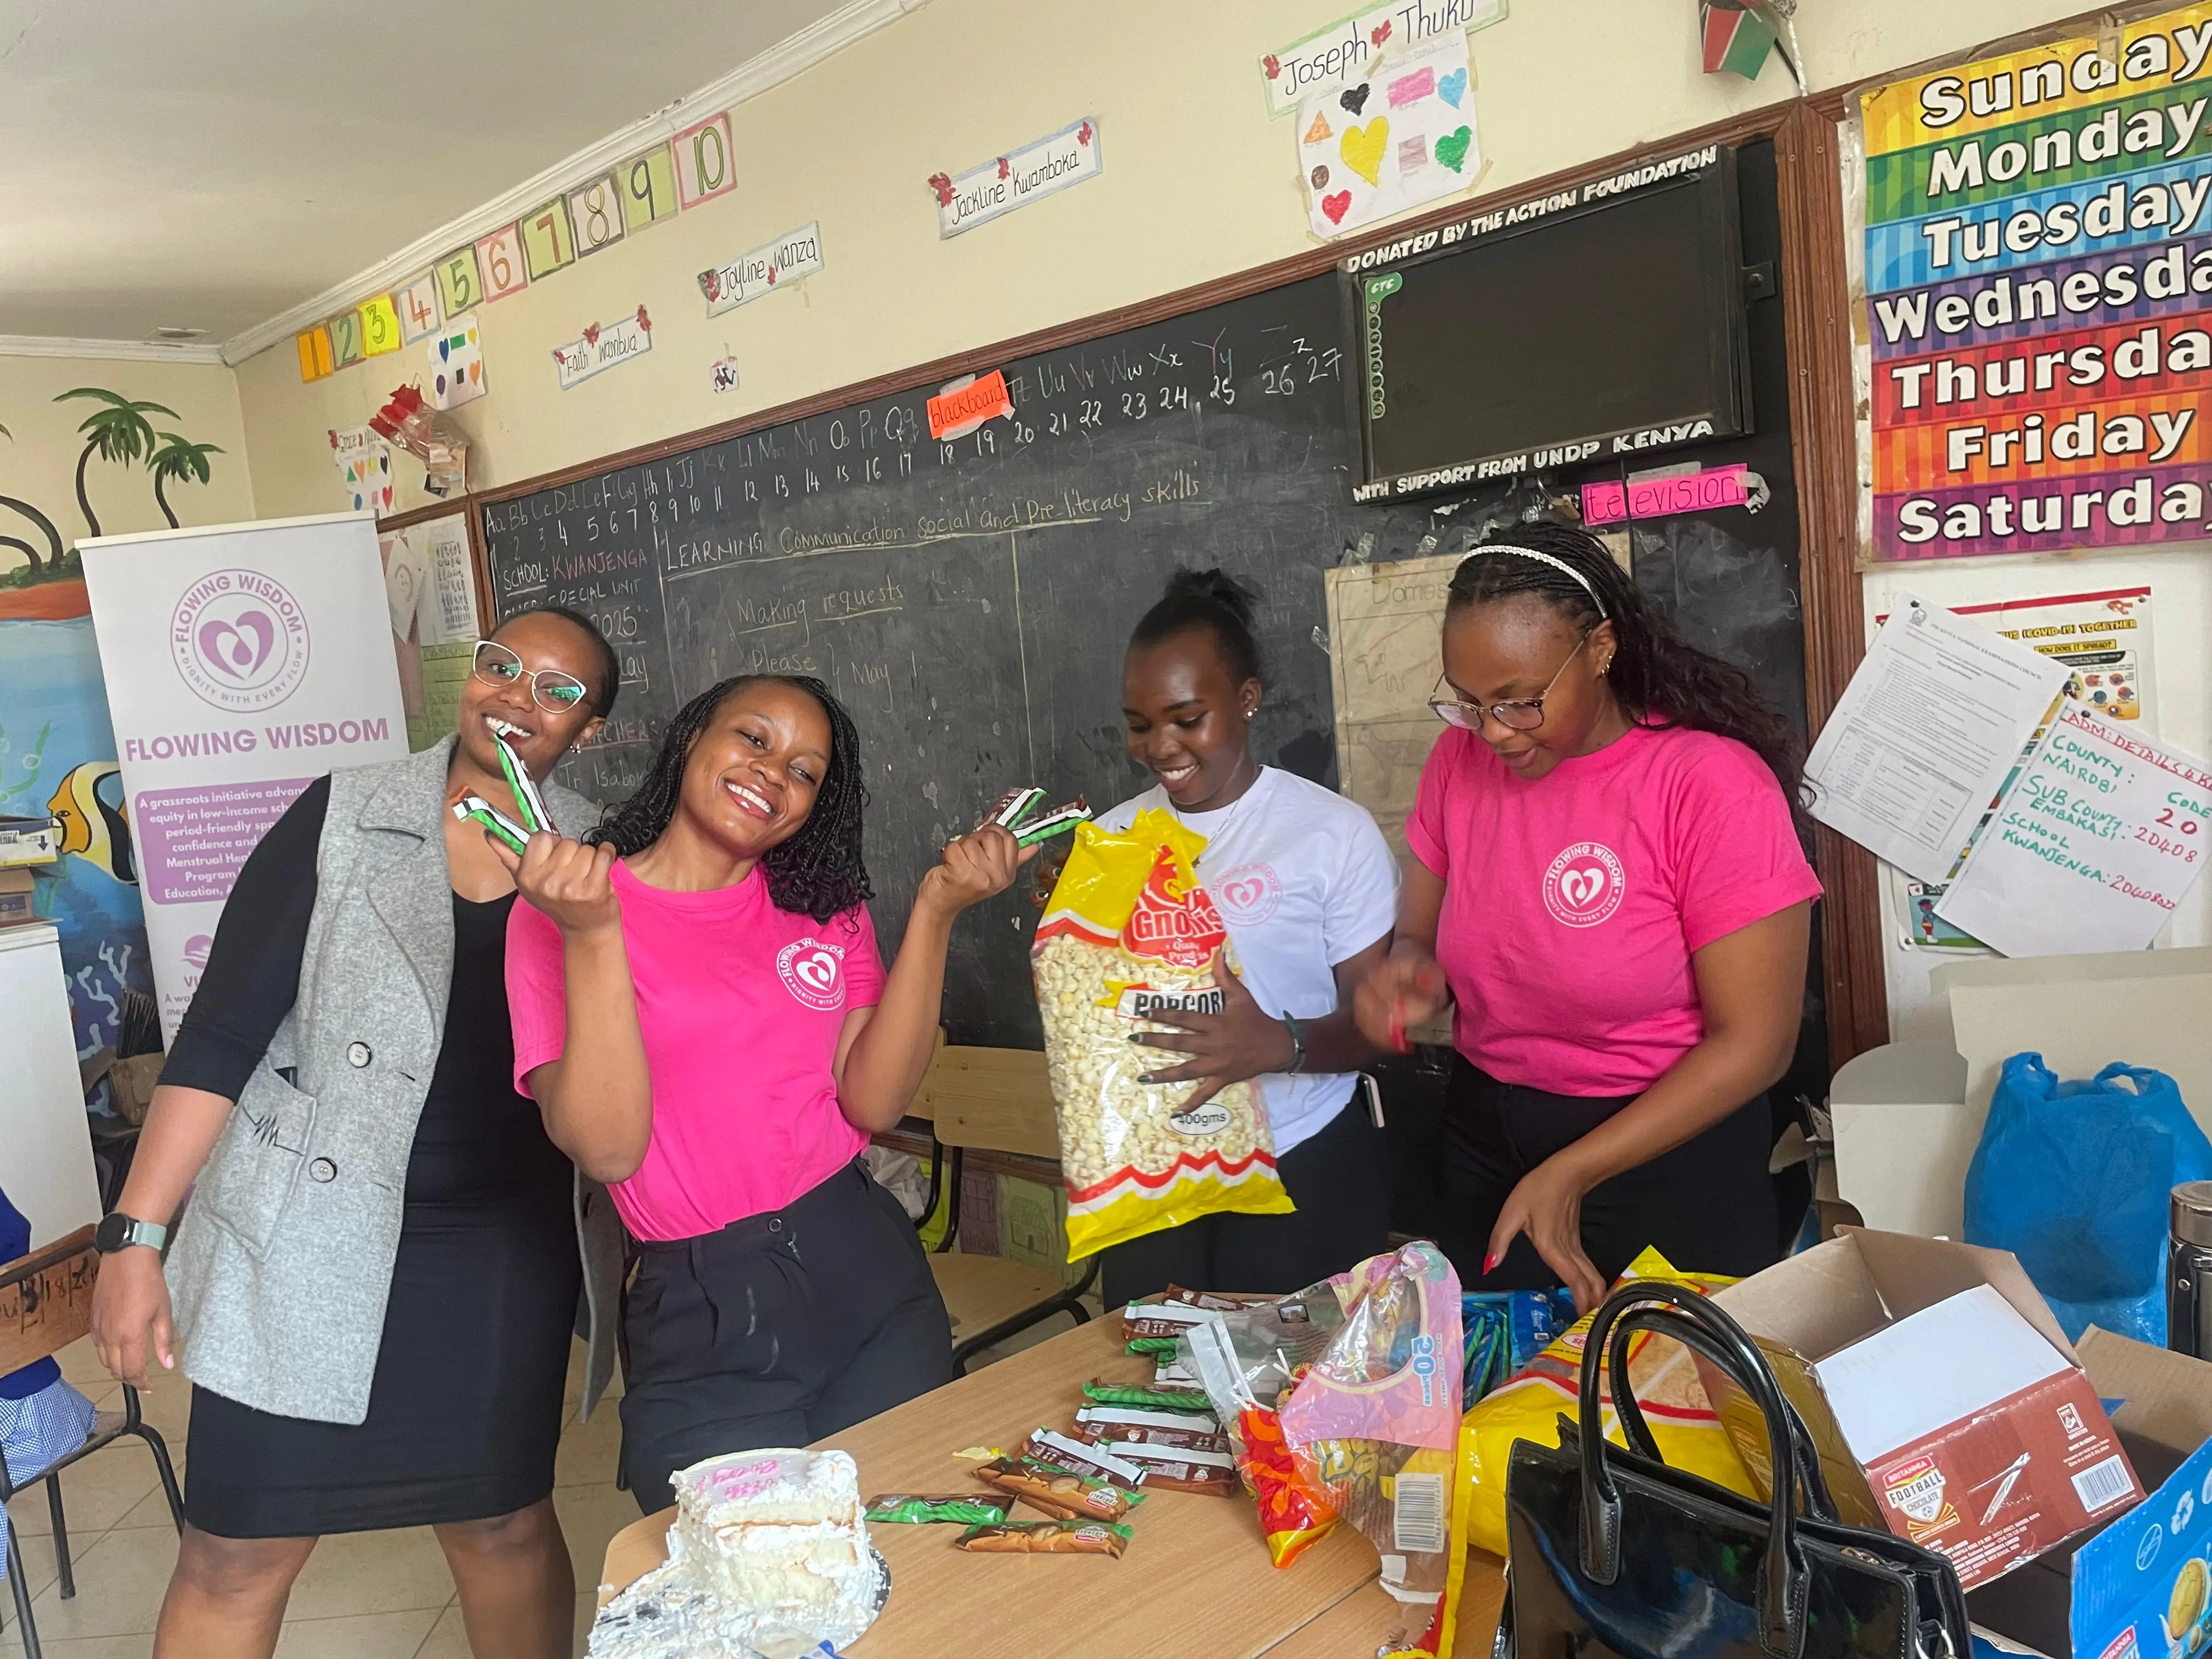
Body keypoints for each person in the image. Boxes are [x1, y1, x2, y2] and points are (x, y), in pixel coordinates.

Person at [89, 610, 621, 1659]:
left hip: (501, 1252)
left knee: (503, 1524)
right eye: (502, 666)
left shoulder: (599, 854)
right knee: (236, 1551)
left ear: (590, 730)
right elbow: (224, 1032)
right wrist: (134, 1237)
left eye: (556, 690)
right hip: (302, 1239)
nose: (517, 697)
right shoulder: (342, 810)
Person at [498, 672, 1030, 1511]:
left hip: (864, 1271)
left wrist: (937, 910)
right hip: (707, 1307)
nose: (774, 772)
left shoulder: (822, 908)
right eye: (754, 739)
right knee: (745, 1593)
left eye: (806, 770)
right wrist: (597, 933)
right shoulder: (564, 908)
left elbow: (874, 1105)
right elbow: (607, 1148)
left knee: (910, 1553)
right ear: (691, 740)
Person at [1353, 524, 1820, 1312]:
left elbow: (1758, 1046)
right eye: (1470, 703)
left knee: (1664, 1408)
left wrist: (1573, 1170)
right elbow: (1420, 939)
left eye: (1522, 701)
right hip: (1487, 1137)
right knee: (1493, 1394)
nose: (1495, 731)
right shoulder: (1456, 765)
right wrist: (1408, 974)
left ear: (1600, 648)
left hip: (1667, 1149)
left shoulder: (1707, 786)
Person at [1096, 569, 1398, 1308]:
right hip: (1157, 1173)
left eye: (1187, 717)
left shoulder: (1331, 832)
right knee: (1155, 1390)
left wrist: (1276, 1045)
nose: (1160, 746)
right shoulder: (1108, 842)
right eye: (1139, 723)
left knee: (1295, 1395)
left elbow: (1380, 1027)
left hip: (1302, 1165)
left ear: (1248, 700)